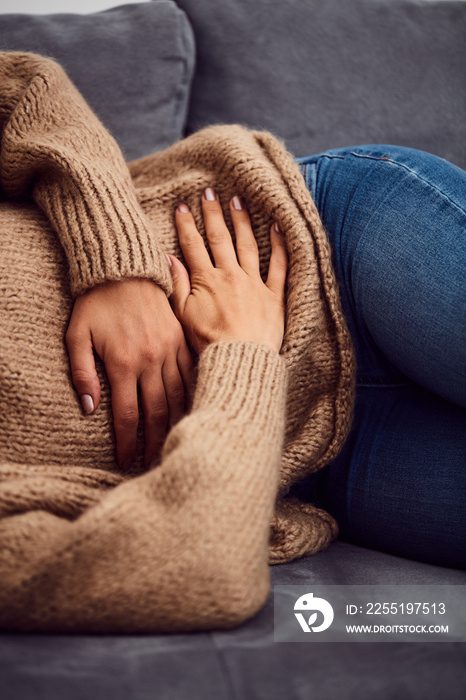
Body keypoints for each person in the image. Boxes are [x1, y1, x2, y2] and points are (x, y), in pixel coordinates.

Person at [0, 52, 464, 633]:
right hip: (311, 458)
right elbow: (193, 571)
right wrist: (243, 352)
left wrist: (116, 266)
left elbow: (20, 88)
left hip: (328, 245)